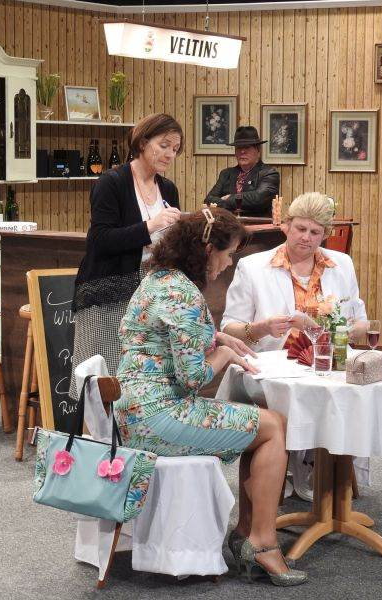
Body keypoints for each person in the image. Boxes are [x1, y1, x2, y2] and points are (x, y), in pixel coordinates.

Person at [116, 208, 307, 586]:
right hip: (159, 417)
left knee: (261, 420)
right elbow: (192, 379)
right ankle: (261, 542)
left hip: (133, 408)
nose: (229, 262)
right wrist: (224, 354)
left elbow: (160, 336)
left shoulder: (158, 279)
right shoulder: (183, 294)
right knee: (274, 426)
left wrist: (217, 337)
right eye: (228, 253)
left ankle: (249, 534)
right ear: (207, 250)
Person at [221, 192, 369, 501]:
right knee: (303, 395)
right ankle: (291, 464)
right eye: (300, 228)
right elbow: (229, 328)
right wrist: (261, 327)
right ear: (286, 226)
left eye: (315, 232)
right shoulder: (253, 267)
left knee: (346, 392)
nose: (306, 237)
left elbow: (360, 323)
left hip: (325, 365)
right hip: (270, 368)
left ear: (325, 234)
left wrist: (339, 330)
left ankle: (320, 468)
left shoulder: (341, 264)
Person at [70, 113, 183, 398]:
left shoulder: (168, 188)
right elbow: (99, 240)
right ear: (143, 142)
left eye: (175, 149)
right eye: (164, 145)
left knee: (139, 382)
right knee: (102, 383)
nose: (170, 154)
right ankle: (94, 429)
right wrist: (150, 226)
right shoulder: (111, 182)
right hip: (109, 293)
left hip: (151, 294)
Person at [205, 126, 280, 217]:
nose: (242, 151)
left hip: (256, 224)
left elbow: (258, 198)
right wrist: (232, 203)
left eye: (247, 147)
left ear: (258, 150)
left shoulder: (269, 173)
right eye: (239, 147)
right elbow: (209, 199)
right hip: (229, 224)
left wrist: (230, 198)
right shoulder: (226, 174)